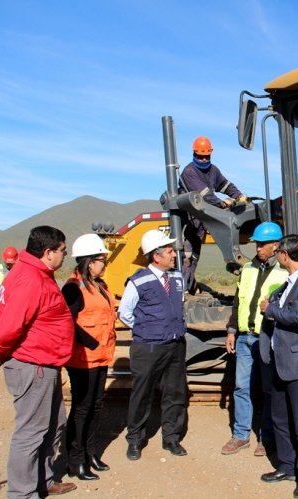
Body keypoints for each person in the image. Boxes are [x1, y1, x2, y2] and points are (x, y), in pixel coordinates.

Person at [0, 226, 77, 498]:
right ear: (48, 253)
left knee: (54, 425)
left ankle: (43, 480)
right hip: (33, 365)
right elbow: (8, 328)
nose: (65, 255)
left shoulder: (34, 273)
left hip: (44, 364)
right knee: (31, 433)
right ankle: (23, 493)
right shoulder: (30, 280)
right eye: (63, 251)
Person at [258, 234, 298, 499]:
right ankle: (287, 466)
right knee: (280, 419)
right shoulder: (288, 283)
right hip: (280, 362)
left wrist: (270, 311)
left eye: (278, 252)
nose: (276, 256)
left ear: (286, 255)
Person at [118, 229, 188, 460]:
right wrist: (146, 328)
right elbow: (125, 312)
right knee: (142, 393)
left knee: (175, 393)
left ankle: (171, 438)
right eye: (169, 251)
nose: (173, 254)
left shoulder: (177, 278)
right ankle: (135, 439)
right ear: (156, 256)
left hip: (175, 345)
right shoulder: (139, 280)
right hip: (148, 347)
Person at [221, 222, 288, 457]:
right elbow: (238, 301)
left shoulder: (285, 272)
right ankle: (240, 436)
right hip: (244, 337)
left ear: (276, 245)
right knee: (241, 387)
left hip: (267, 339)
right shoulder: (248, 268)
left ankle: (266, 438)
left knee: (269, 389)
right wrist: (231, 331)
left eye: (262, 244)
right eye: (256, 244)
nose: (257, 248)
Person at [61, 234, 116, 481]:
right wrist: (91, 342)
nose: (104, 264)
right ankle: (76, 461)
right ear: (88, 261)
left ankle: (91, 453)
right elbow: (67, 322)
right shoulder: (73, 287)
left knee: (95, 407)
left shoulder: (100, 286)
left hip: (102, 357)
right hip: (82, 360)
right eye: (101, 260)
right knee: (82, 409)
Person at [179, 135, 248, 292]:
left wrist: (238, 195)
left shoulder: (213, 170)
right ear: (194, 154)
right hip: (189, 223)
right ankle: (181, 293)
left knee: (194, 257)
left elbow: (224, 184)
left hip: (201, 222)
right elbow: (205, 195)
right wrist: (223, 203)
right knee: (186, 257)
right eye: (200, 156)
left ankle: (187, 288)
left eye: (206, 156)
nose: (203, 159)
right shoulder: (189, 172)